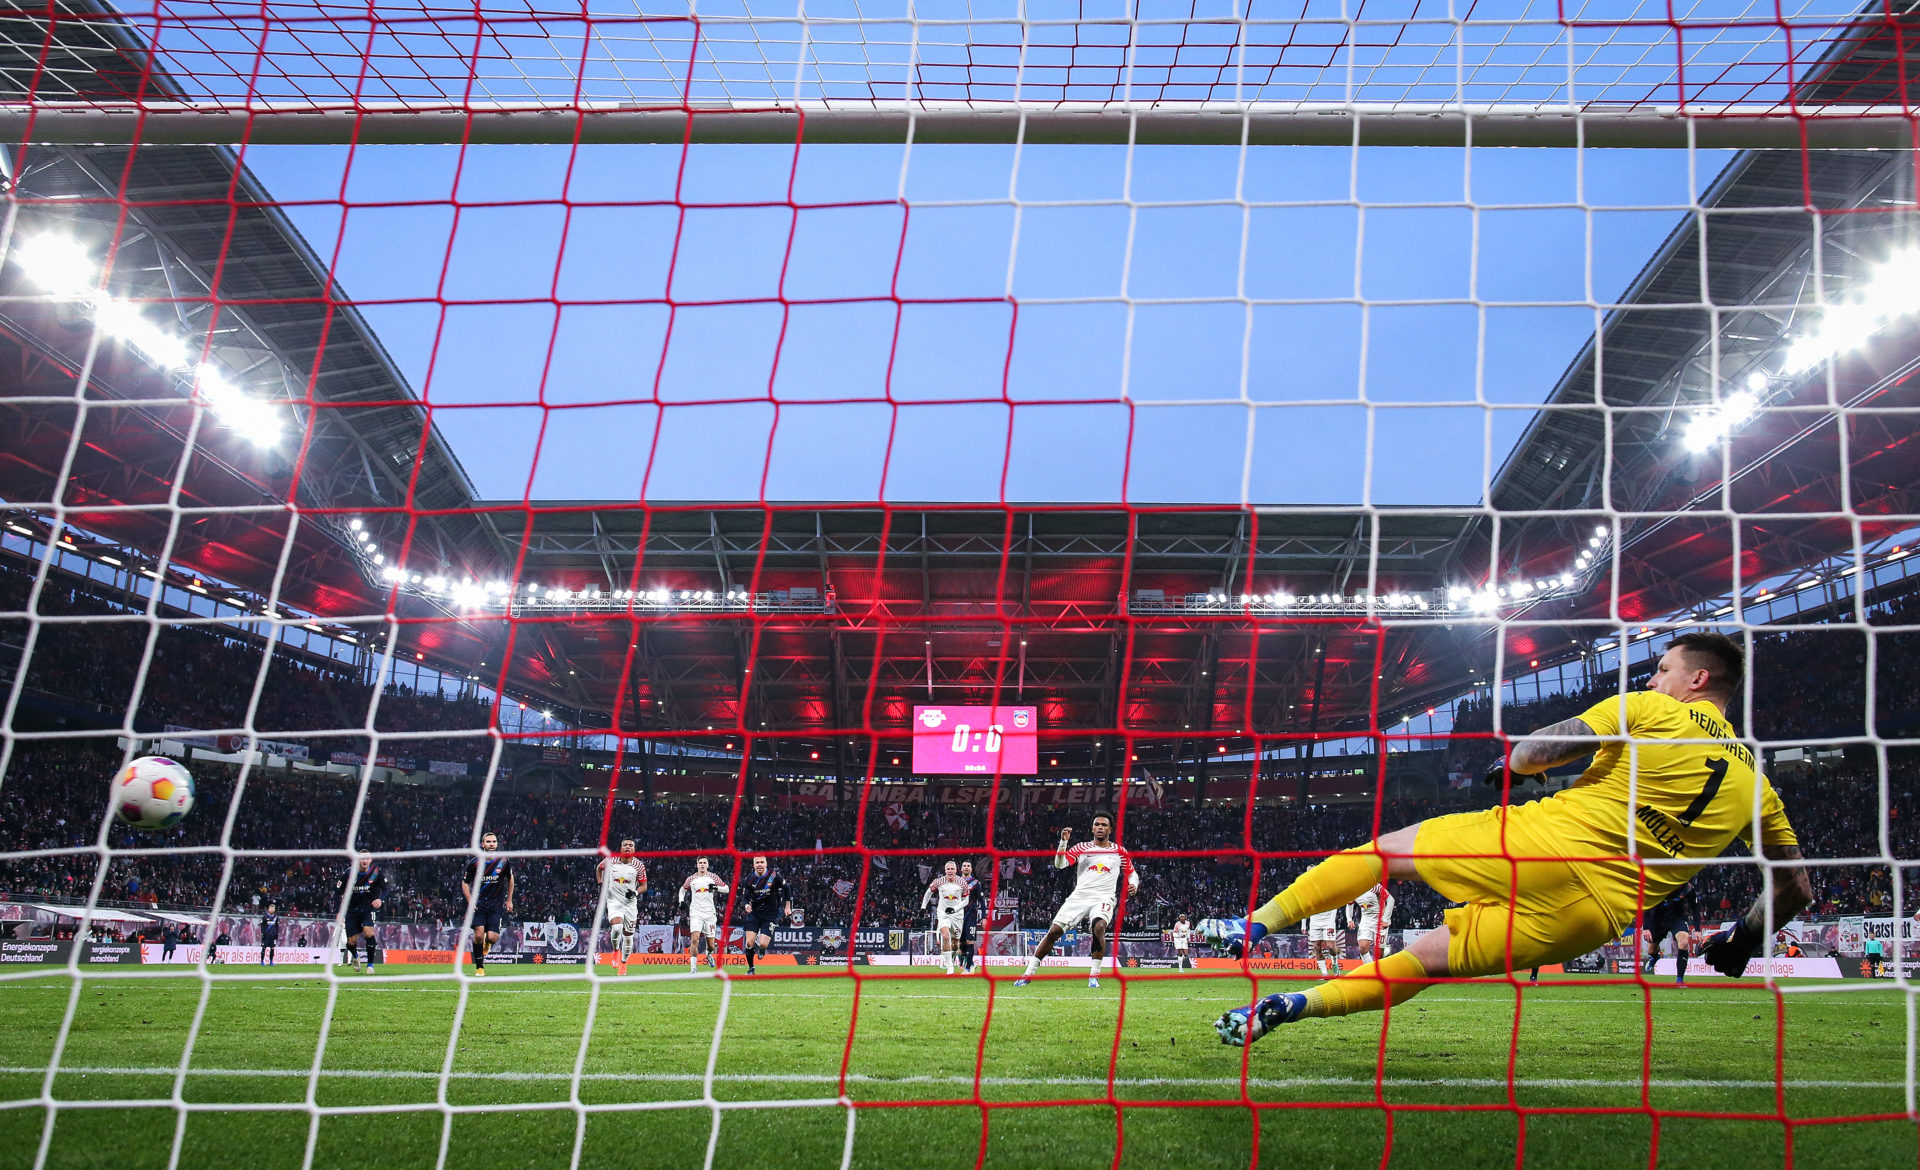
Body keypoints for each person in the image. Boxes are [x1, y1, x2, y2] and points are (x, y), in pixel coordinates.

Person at [1210, 633, 1811, 1047]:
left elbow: (1530, 751)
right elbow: (1795, 889)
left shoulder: (1654, 711)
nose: (1653, 678)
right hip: (1593, 919)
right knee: (1422, 965)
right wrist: (1746, 937)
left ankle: (1254, 926)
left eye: (1663, 669)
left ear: (1697, 679)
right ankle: (1295, 1006)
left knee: (1384, 852)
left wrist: (1523, 767)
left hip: (1543, 846)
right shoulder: (1758, 786)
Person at [1014, 813, 1139, 990]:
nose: (1100, 827)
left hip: (1104, 897)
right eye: (1097, 824)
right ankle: (1027, 974)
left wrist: (1133, 884)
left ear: (1110, 829)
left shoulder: (1119, 851)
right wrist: (1063, 843)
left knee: (1099, 927)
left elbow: (1132, 873)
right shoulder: (1081, 847)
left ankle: (1094, 977)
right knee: (1054, 931)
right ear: (1092, 828)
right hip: (1079, 896)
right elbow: (1060, 864)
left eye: (1104, 824)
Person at [462, 832, 514, 977]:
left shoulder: (503, 861)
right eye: (488, 841)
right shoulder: (474, 863)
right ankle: (479, 967)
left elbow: (510, 879)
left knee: (492, 938)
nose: (491, 844)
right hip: (479, 905)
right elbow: (465, 883)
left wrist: (509, 900)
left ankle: (487, 943)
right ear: (482, 844)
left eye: (494, 841)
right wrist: (469, 900)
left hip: (495, 906)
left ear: (497, 844)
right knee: (478, 934)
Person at [597, 838, 647, 976]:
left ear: (634, 850)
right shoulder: (610, 860)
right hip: (614, 901)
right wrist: (600, 882)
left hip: (630, 905)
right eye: (625, 845)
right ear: (620, 848)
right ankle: (615, 951)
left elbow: (644, 886)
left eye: (631, 845)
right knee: (617, 928)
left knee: (628, 937)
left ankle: (623, 964)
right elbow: (599, 868)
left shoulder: (639, 866)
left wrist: (635, 892)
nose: (628, 847)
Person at [337, 854, 388, 974]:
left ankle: (370, 965)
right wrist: (339, 911)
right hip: (351, 911)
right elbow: (337, 893)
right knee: (350, 942)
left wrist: (381, 899)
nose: (364, 861)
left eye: (367, 858)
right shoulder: (348, 873)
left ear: (371, 860)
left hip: (367, 910)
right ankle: (355, 956)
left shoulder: (376, 872)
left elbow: (386, 889)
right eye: (362, 858)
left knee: (369, 933)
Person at [739, 855, 789, 975]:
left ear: (766, 864)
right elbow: (745, 898)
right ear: (754, 865)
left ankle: (762, 949)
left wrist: (787, 906)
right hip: (754, 914)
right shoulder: (749, 880)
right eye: (757, 862)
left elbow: (787, 888)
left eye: (762, 862)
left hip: (770, 914)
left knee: (762, 943)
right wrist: (746, 905)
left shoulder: (774, 876)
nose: (760, 864)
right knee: (749, 943)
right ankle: (751, 968)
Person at [679, 857, 728, 972]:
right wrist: (681, 900)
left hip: (710, 914)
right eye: (700, 863)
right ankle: (693, 969)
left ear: (707, 865)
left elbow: (726, 888)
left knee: (711, 945)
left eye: (704, 863)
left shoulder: (713, 877)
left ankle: (709, 954)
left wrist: (716, 887)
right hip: (696, 913)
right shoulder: (691, 879)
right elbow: (682, 889)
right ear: (697, 865)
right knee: (695, 938)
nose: (702, 865)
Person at [921, 861, 970, 975]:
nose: (950, 871)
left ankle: (950, 959)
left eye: (952, 869)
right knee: (945, 935)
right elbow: (928, 892)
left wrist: (955, 909)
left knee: (955, 944)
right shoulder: (939, 882)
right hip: (943, 913)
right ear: (945, 870)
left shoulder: (962, 883)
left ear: (956, 870)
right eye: (948, 869)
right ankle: (950, 967)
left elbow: (966, 901)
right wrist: (923, 907)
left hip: (957, 915)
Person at [1350, 883, 1396, 962]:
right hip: (1366, 920)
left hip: (1380, 921)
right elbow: (1349, 903)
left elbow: (1391, 900)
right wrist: (1349, 919)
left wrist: (1385, 919)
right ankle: (1371, 971)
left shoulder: (1374, 886)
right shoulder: (1353, 890)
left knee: (1379, 955)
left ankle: (1386, 951)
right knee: (1363, 948)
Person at [957, 861, 984, 974]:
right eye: (964, 866)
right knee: (960, 943)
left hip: (971, 916)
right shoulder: (956, 882)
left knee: (970, 941)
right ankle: (970, 963)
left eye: (968, 866)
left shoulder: (975, 883)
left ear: (971, 869)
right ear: (961, 869)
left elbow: (981, 900)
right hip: (958, 916)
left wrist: (984, 916)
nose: (966, 868)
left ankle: (967, 969)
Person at [1306, 907, 1342, 975]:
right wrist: (1303, 925)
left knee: (1330, 947)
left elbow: (1334, 906)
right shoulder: (1310, 897)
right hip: (1314, 922)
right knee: (1317, 947)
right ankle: (1324, 974)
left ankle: (1335, 964)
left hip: (1328, 922)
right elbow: (1305, 908)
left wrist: (1331, 924)